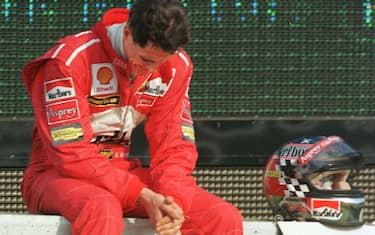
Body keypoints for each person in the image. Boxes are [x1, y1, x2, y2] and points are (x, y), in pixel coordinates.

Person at [20, 0, 244, 234]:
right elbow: (69, 154)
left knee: (221, 217)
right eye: (147, 60)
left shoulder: (177, 66)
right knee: (102, 207)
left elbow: (173, 148)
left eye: (162, 62)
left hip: (122, 175)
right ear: (127, 31)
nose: (152, 70)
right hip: (54, 176)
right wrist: (140, 193)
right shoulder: (69, 59)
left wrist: (173, 201)